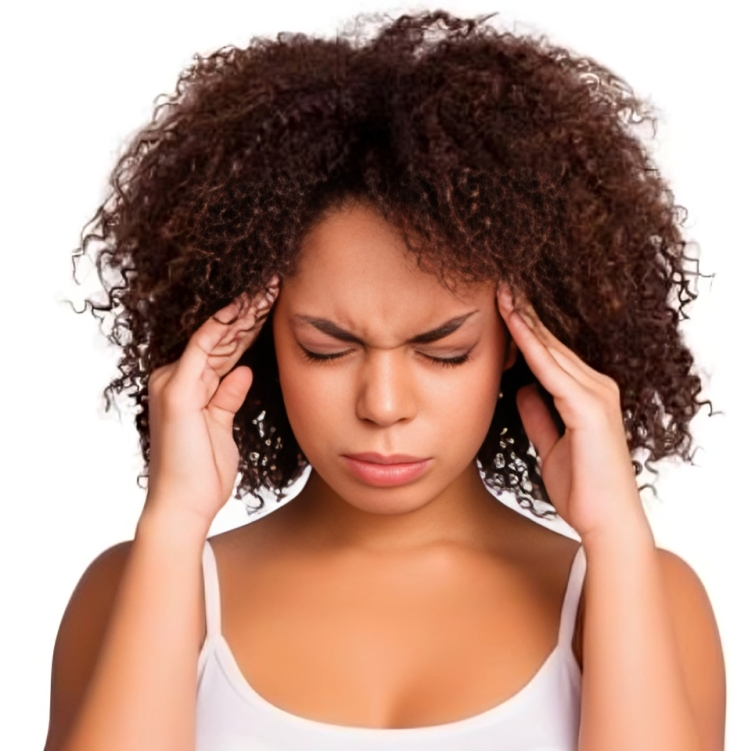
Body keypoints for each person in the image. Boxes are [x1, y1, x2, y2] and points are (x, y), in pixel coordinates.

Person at [43, 10, 726, 751]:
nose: (384, 406)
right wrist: (173, 523)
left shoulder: (644, 596)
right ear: (257, 339)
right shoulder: (137, 587)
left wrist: (616, 535)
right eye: (326, 349)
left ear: (518, 344)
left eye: (444, 351)